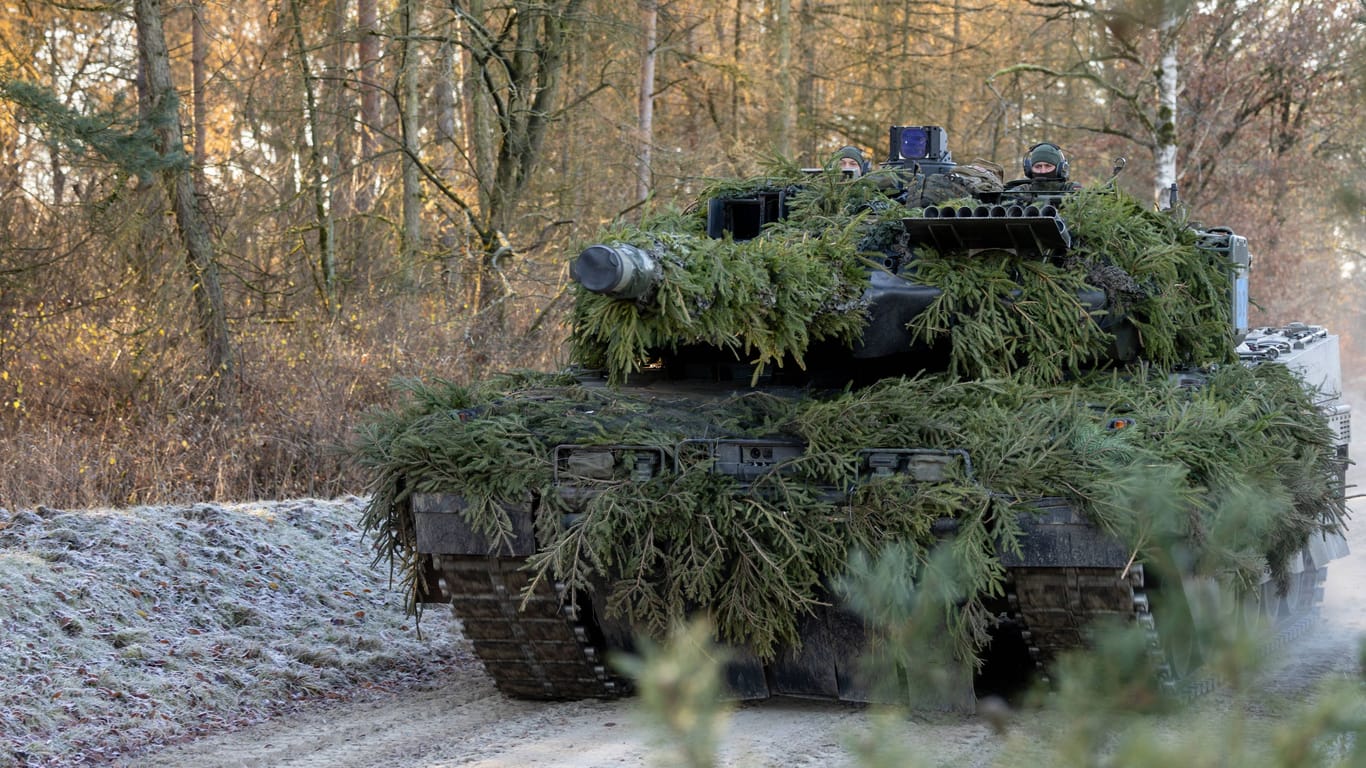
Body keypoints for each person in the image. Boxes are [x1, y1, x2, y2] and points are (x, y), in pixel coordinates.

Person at [1007, 142, 1081, 192]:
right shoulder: (1021, 191)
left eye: (1048, 166)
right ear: (1029, 169)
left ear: (1060, 169)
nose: (1043, 171)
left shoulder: (1071, 190)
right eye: (1038, 166)